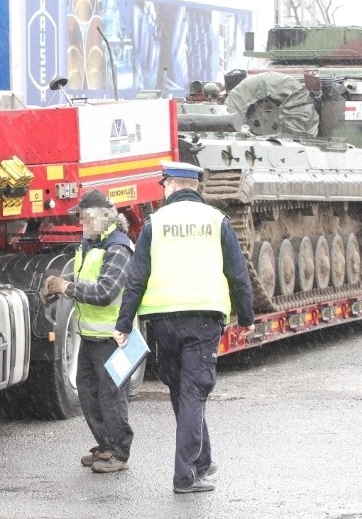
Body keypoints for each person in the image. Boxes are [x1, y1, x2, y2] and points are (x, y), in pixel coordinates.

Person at [114, 161, 255, 494]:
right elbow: (238, 274)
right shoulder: (216, 221)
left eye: (163, 185)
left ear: (174, 186)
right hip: (203, 321)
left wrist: (124, 323)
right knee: (193, 393)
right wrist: (246, 318)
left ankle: (202, 460)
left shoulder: (155, 223)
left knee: (182, 391)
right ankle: (186, 475)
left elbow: (136, 277)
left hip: (164, 321)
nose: (162, 191)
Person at [42, 189, 135, 474]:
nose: (82, 223)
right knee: (88, 393)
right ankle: (106, 445)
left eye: (85, 218)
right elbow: (87, 279)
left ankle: (119, 452)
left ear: (102, 217)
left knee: (111, 396)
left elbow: (105, 292)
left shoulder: (118, 248)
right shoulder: (92, 244)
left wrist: (67, 287)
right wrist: (62, 283)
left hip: (113, 338)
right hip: (92, 336)